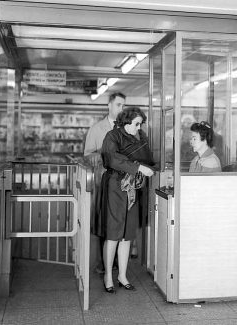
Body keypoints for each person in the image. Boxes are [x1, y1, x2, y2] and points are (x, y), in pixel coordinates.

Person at [100, 106, 155, 293]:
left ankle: (122, 275)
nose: (139, 128)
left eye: (141, 124)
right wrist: (138, 167)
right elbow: (112, 159)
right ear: (126, 122)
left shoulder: (141, 137)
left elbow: (148, 157)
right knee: (114, 232)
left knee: (127, 233)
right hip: (116, 185)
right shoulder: (112, 136)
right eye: (137, 124)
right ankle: (108, 275)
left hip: (134, 187)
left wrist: (141, 167)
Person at [84, 92, 126, 274]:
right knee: (105, 222)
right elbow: (87, 155)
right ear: (109, 105)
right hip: (103, 182)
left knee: (121, 222)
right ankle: (103, 263)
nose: (121, 109)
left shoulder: (127, 128)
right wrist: (101, 153)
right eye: (118, 105)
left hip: (123, 183)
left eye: (123, 105)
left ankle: (117, 261)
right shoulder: (96, 129)